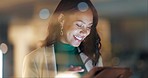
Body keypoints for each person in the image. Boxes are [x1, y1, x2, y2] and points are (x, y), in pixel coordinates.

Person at [22, 0, 103, 77]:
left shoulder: (94, 57)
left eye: (89, 27)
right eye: (79, 25)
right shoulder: (34, 60)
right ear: (61, 19)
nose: (85, 32)